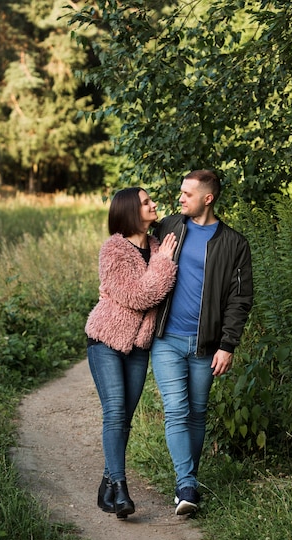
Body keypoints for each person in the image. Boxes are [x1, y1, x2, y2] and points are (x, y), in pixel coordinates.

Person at [151, 169, 253, 515]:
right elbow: (132, 248)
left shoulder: (234, 244)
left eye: (187, 194)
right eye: (181, 192)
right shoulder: (168, 227)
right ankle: (187, 484)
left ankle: (186, 484)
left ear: (207, 198)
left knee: (197, 413)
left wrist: (228, 345)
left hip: (207, 344)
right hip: (167, 338)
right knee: (177, 410)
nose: (180, 198)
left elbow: (240, 299)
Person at [85, 187, 177, 519]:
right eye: (146, 202)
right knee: (115, 411)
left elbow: (159, 294)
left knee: (125, 419)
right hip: (106, 340)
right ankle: (121, 489)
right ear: (129, 211)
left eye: (152, 200)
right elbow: (140, 295)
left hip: (138, 345)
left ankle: (107, 484)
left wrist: (162, 258)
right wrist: (165, 264)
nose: (154, 205)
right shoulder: (113, 248)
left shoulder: (156, 246)